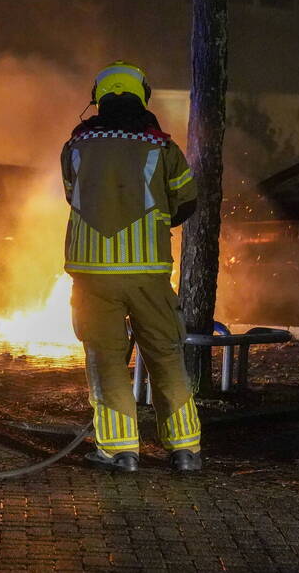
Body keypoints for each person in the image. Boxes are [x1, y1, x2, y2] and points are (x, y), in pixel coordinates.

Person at [61, 61, 200, 472]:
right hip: (147, 273)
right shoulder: (163, 147)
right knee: (165, 355)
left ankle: (120, 452)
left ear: (98, 99)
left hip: (92, 275)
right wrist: (155, 221)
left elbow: (72, 195)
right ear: (143, 97)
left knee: (106, 359)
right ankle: (185, 451)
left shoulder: (75, 147)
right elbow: (186, 201)